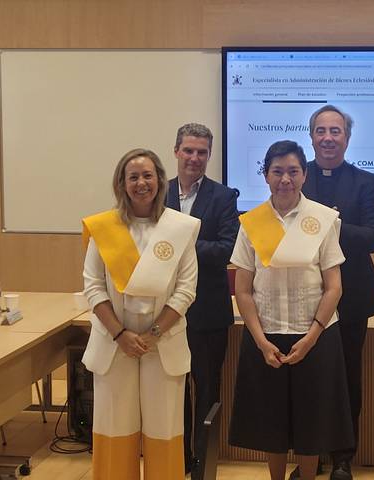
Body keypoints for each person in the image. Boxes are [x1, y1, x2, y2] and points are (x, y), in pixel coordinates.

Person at [228, 140, 354, 480]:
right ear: (266, 175)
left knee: (312, 424)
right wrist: (260, 340)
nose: (286, 179)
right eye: (277, 171)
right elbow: (243, 289)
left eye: (293, 172)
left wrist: (313, 335)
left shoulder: (324, 219)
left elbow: (334, 286)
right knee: (272, 422)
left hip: (316, 335)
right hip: (266, 336)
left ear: (304, 174)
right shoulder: (251, 223)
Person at [82, 148, 200, 480]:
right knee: (114, 432)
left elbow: (186, 289)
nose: (141, 182)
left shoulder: (180, 228)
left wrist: (153, 334)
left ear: (160, 180)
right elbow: (93, 287)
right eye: (132, 176)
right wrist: (121, 334)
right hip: (113, 344)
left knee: (165, 433)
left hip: (163, 345)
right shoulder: (103, 228)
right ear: (122, 183)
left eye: (147, 175)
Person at [299, 104, 374, 480]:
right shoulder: (295, 179)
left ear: (347, 138)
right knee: (308, 377)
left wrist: (329, 223)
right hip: (303, 295)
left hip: (350, 296)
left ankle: (344, 457)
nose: (328, 138)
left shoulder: (366, 182)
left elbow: (373, 237)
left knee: (348, 377)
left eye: (335, 131)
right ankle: (309, 455)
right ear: (312, 136)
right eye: (321, 130)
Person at [166, 123, 239, 479]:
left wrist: (176, 243)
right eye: (189, 150)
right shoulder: (156, 193)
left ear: (209, 156)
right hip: (164, 315)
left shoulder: (224, 197)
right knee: (173, 389)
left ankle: (201, 466)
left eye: (202, 152)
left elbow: (226, 249)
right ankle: (176, 460)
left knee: (207, 389)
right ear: (176, 151)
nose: (195, 158)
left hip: (208, 312)